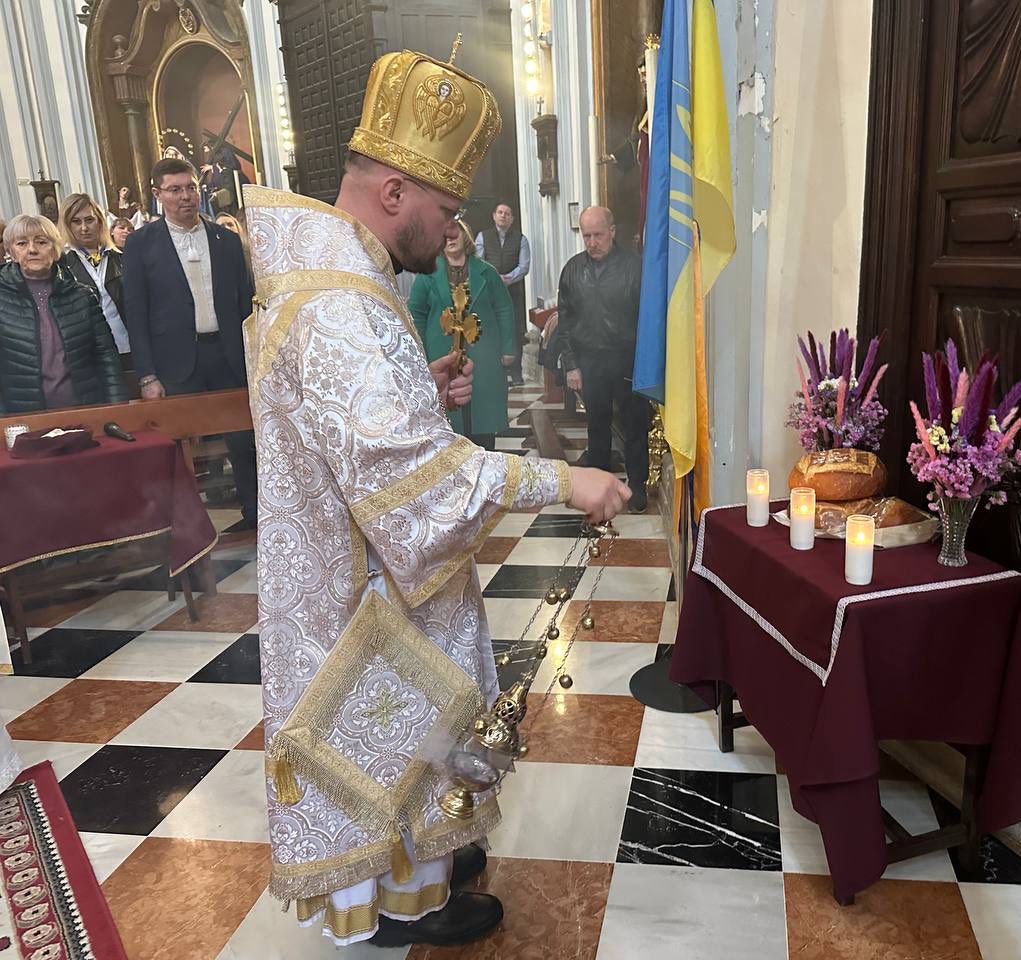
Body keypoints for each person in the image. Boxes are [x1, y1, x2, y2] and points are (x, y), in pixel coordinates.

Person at [242, 50, 631, 950]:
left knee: (415, 737)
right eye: (446, 210)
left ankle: (428, 866)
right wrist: (562, 478)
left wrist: (417, 378)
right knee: (386, 745)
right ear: (393, 191)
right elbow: (409, 478)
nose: (451, 228)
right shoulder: (337, 301)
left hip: (358, 577)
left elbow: (346, 425)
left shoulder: (334, 277)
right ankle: (394, 907)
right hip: (363, 594)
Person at [124, 156, 258, 531]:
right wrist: (147, 375)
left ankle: (255, 512)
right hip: (176, 359)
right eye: (175, 190)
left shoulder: (226, 240)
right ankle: (186, 526)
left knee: (243, 438)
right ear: (158, 194)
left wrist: (253, 357)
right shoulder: (140, 244)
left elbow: (245, 302)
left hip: (227, 354)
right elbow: (136, 313)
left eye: (190, 188)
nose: (185, 196)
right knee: (177, 444)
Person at [556, 205, 650, 512]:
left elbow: (647, 318)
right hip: (590, 361)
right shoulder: (573, 270)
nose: (592, 242)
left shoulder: (634, 268)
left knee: (635, 426)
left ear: (612, 231)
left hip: (627, 360)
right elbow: (565, 321)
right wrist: (571, 364)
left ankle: (636, 488)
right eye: (586, 236)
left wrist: (646, 365)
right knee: (597, 426)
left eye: (598, 235)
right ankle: (597, 490)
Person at [0, 215, 126, 412]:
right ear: (11, 251)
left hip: (85, 409)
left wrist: (117, 409)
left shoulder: (82, 296)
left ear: (55, 248)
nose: (32, 249)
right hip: (24, 416)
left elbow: (106, 357)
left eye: (41, 242)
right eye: (22, 243)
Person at [409, 221, 515, 450]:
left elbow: (504, 309)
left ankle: (485, 456)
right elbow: (416, 313)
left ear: (465, 235)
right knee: (448, 421)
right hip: (441, 352)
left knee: (483, 419)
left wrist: (508, 348)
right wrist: (419, 353)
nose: (450, 238)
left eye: (454, 232)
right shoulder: (427, 275)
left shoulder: (487, 272)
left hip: (483, 354)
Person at [58, 194, 130, 366]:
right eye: (76, 221)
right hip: (87, 354)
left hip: (127, 346)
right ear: (68, 225)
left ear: (99, 221)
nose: (84, 228)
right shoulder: (61, 265)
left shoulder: (121, 257)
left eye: (89, 220)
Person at [475, 202, 529, 384]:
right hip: (489, 292)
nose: (503, 216)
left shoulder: (521, 239)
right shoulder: (483, 237)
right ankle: (495, 371)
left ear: (512, 219)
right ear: (494, 216)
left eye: (507, 213)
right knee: (492, 328)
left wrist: (508, 278)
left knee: (515, 330)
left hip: (513, 291)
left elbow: (524, 266)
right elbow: (478, 261)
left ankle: (516, 373)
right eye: (500, 212)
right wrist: (494, 278)